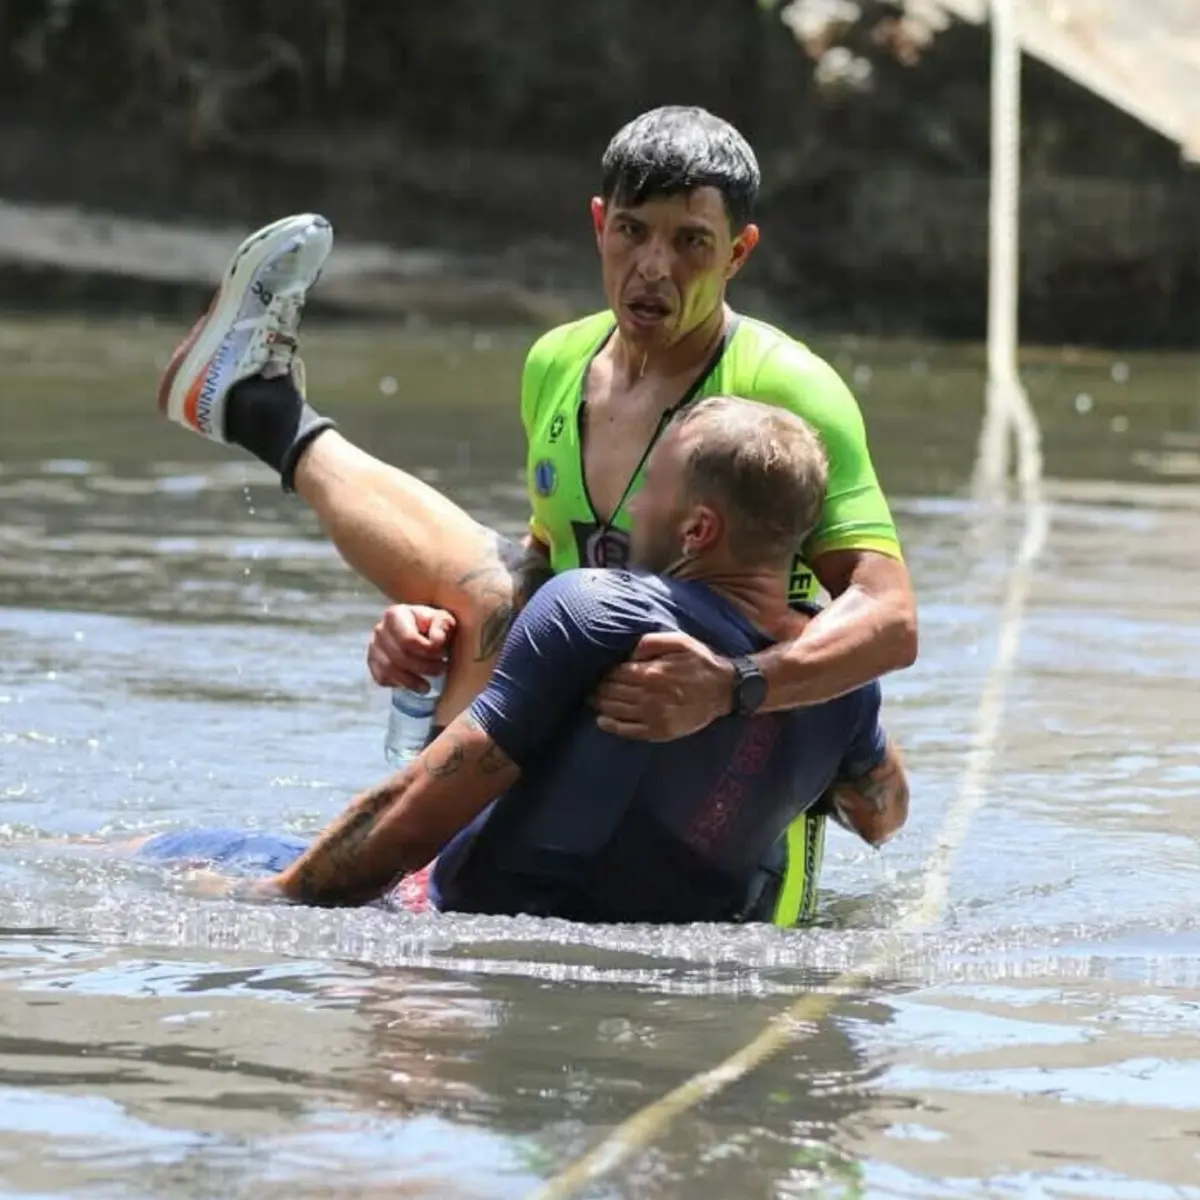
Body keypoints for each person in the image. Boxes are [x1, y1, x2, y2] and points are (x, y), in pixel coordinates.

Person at [364, 106, 917, 922]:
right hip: (580, 785)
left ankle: (275, 421)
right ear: (598, 225)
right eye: (632, 231)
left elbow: (891, 618)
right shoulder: (554, 362)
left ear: (738, 252)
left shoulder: (788, 391)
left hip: (730, 822)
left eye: (691, 241)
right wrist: (436, 634)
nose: (653, 267)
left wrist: (734, 687)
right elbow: (548, 562)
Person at [141, 381, 910, 920]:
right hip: (663, 952)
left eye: (652, 489)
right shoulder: (836, 686)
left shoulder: (604, 608)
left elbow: (410, 820)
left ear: (698, 530)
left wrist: (275, 901)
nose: (633, 502)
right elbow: (882, 815)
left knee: (155, 853)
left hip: (456, 924)